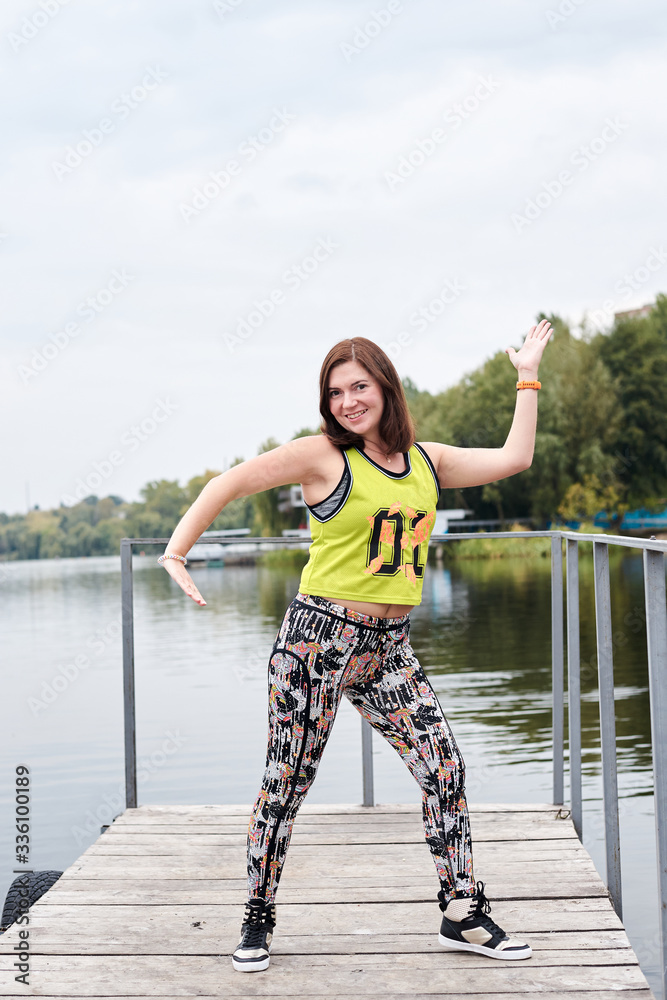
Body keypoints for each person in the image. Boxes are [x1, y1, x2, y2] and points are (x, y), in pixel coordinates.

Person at [159, 321, 552, 973]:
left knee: (444, 767)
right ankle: (257, 918)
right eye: (336, 391)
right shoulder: (321, 455)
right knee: (286, 783)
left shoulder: (428, 460)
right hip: (315, 642)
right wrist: (177, 551)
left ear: (385, 388)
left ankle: (460, 911)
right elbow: (228, 483)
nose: (347, 401)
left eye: (359, 386)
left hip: (387, 647)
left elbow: (515, 458)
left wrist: (525, 374)